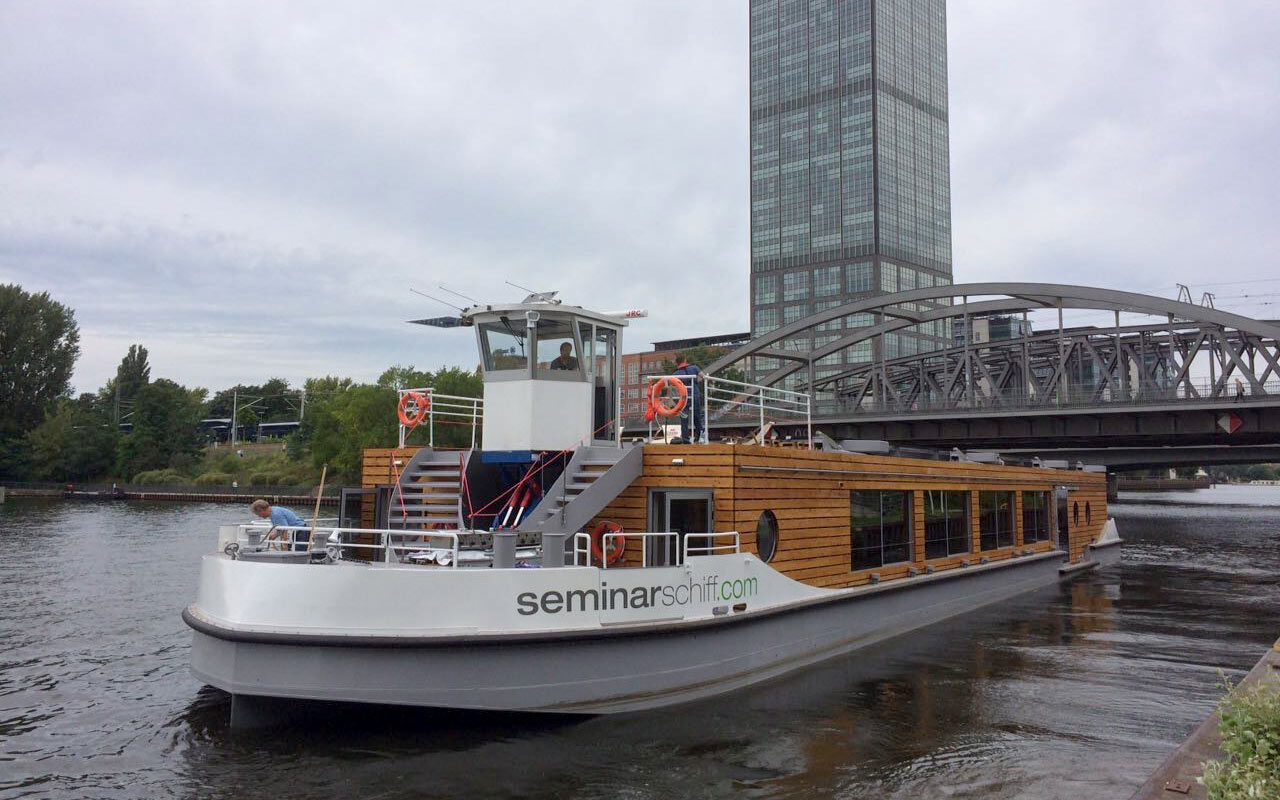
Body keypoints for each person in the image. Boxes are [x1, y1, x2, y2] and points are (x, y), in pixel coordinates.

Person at [673, 353, 704, 443]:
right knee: (697, 416)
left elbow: (673, 386)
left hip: (684, 397)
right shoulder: (694, 368)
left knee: (684, 418)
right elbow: (703, 376)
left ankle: (685, 439)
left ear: (677, 363)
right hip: (695, 394)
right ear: (685, 360)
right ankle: (699, 436)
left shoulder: (675, 373)